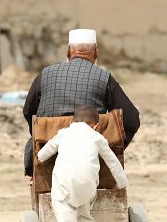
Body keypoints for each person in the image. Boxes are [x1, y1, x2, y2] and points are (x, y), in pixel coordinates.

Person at [23, 28, 140, 178]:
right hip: (91, 156)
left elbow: (28, 111)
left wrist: (40, 135)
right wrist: (112, 149)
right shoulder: (104, 77)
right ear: (96, 52)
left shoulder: (45, 74)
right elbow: (132, 120)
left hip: (46, 152)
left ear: (68, 51)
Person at [37, 105, 129, 222]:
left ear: (72, 122)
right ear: (95, 125)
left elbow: (42, 155)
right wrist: (122, 183)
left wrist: (39, 160)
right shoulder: (97, 137)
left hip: (63, 186)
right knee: (85, 217)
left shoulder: (63, 134)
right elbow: (112, 161)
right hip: (87, 186)